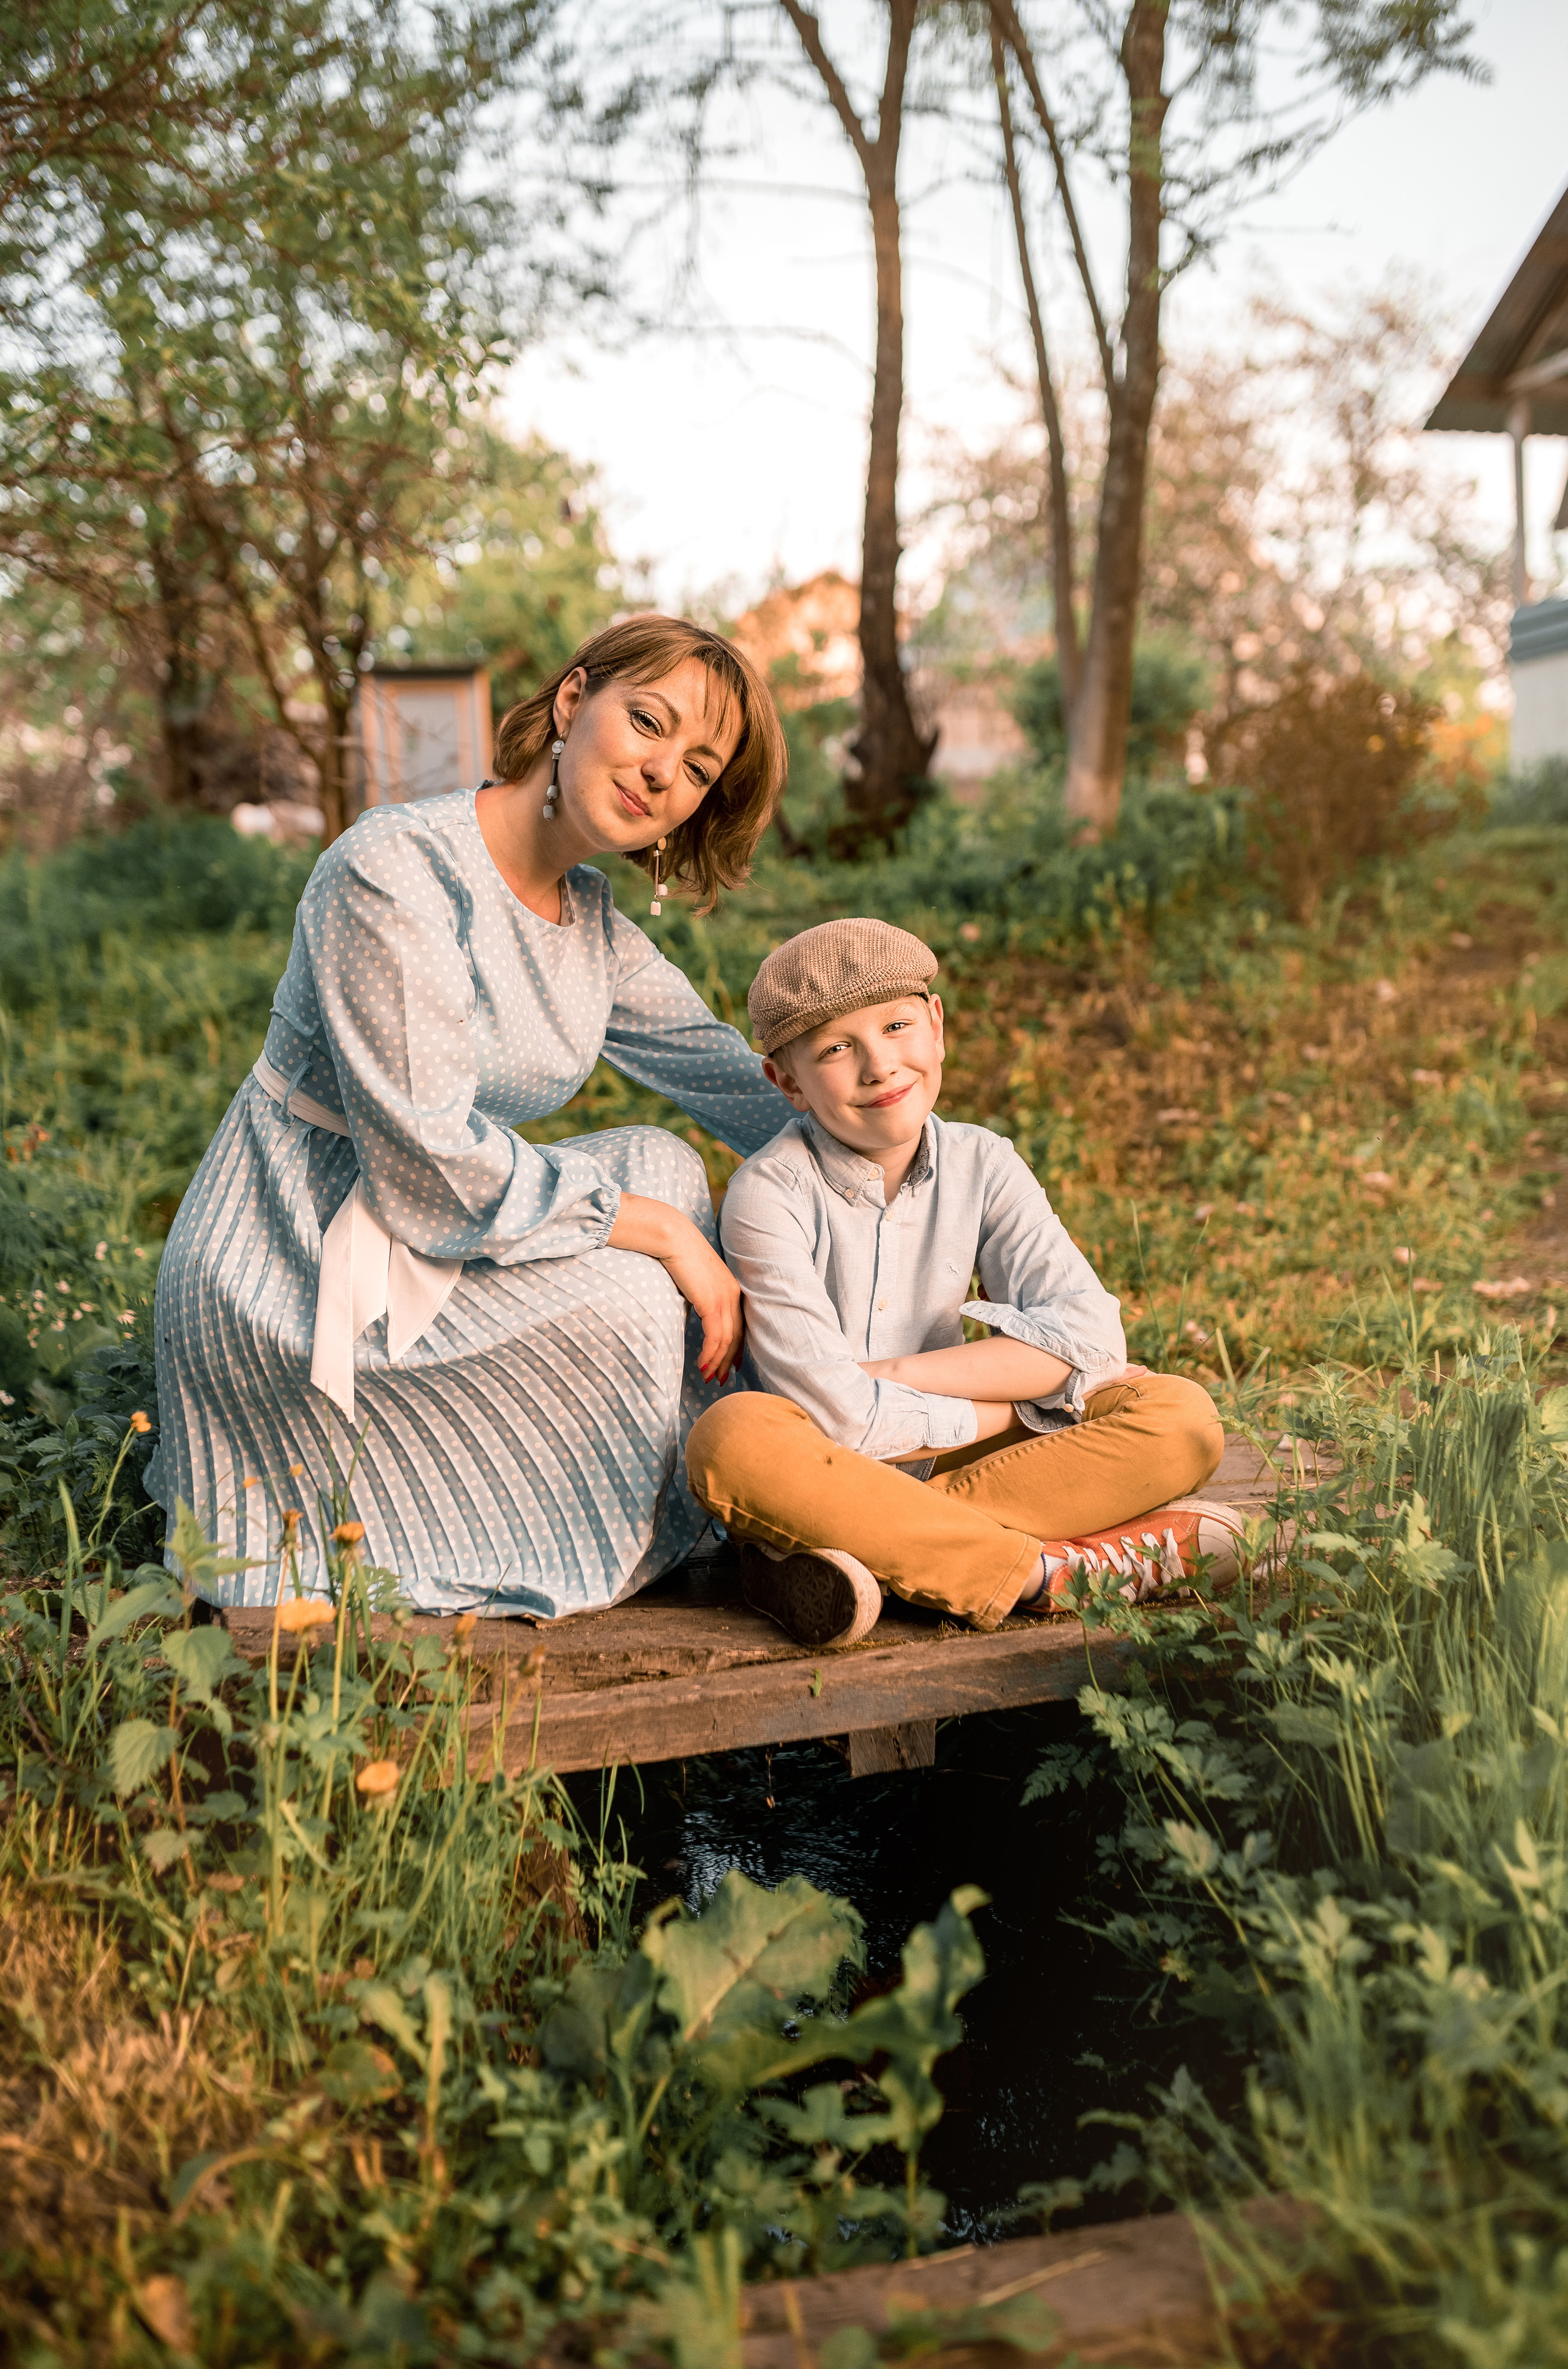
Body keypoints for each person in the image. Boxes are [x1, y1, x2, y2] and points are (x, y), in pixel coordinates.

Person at [149, 616, 794, 1618]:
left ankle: (782, 1470)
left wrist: (905, 1163)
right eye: (649, 722)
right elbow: (430, 1165)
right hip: (292, 1262)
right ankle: (695, 1507)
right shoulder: (395, 869)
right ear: (574, 701)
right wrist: (667, 1237)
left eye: (700, 768)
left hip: (420, 1225)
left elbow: (727, 1077)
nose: (665, 772)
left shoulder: (589, 919)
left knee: (664, 1161)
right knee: (640, 1287)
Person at [685, 918, 1246, 1648]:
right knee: (730, 1440)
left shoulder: (984, 1163)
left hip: (906, 1476)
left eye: (896, 1026)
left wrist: (886, 1373)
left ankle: (855, 1549)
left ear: (937, 1025)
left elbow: (1092, 1338)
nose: (879, 1065)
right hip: (815, 1466)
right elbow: (841, 1422)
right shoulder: (767, 1195)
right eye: (835, 1049)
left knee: (1178, 1416)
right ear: (786, 1081)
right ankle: (1050, 1571)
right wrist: (1019, 1409)